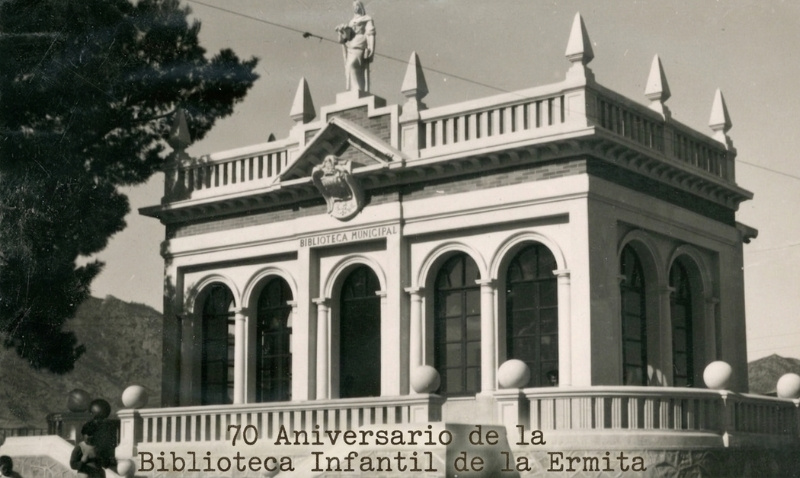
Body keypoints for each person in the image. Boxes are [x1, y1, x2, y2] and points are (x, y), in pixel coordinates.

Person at [335, 1, 376, 92]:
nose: (355, 8)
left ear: (361, 7)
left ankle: (358, 88)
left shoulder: (367, 19)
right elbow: (347, 37)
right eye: (354, 6)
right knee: (350, 66)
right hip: (351, 45)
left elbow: (371, 33)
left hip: (360, 43)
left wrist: (371, 49)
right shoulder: (350, 22)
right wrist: (341, 31)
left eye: (357, 6)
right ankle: (356, 89)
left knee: (353, 64)